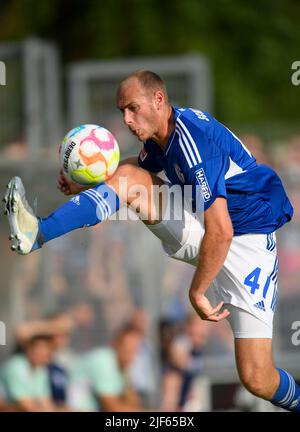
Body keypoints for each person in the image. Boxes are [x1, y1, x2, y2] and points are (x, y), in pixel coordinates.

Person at [3, 70, 299, 412]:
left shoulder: (193, 142)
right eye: (121, 112)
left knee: (257, 378)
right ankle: (37, 232)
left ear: (158, 100)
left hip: (245, 244)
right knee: (129, 180)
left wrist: (197, 291)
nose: (127, 120)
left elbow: (223, 231)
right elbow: (136, 171)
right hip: (209, 230)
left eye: (132, 108)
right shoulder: (163, 135)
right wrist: (87, 182)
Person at [67, 325, 145, 411]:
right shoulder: (103, 360)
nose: (131, 356)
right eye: (127, 349)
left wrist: (126, 376)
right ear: (116, 345)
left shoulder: (121, 367)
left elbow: (132, 403)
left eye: (134, 350)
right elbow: (112, 407)